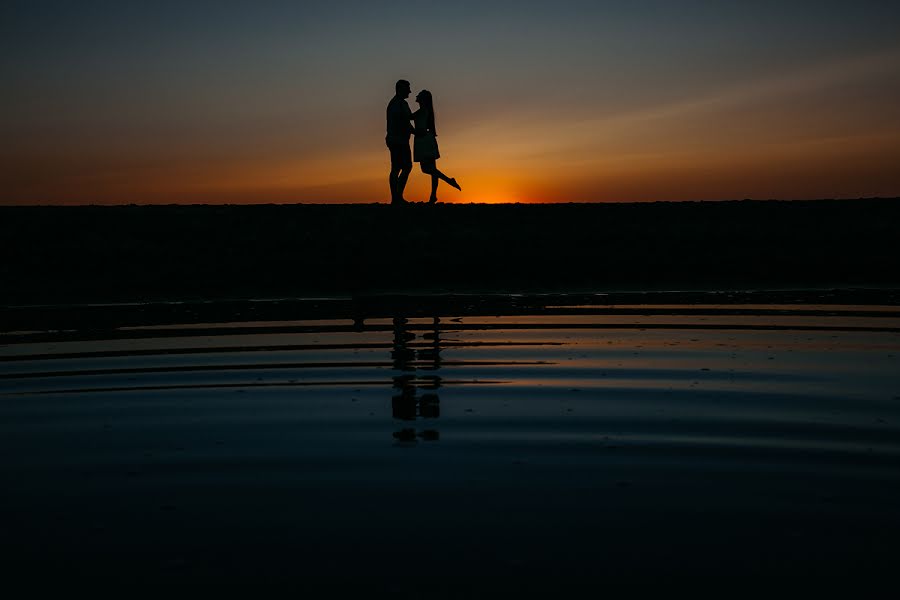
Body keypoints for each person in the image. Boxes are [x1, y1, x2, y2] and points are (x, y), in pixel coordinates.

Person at [413, 90, 461, 204]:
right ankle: (434, 195)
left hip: (424, 140)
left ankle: (448, 181)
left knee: (426, 169)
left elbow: (409, 118)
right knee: (432, 170)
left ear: (423, 99)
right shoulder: (425, 111)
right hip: (427, 139)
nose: (416, 95)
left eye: (419, 95)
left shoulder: (422, 111)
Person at [386, 80, 415, 204]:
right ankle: (397, 197)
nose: (409, 91)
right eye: (407, 89)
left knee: (397, 168)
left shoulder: (394, 103)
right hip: (399, 141)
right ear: (400, 89)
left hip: (395, 140)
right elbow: (407, 121)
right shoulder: (400, 104)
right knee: (405, 167)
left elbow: (407, 121)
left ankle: (396, 197)